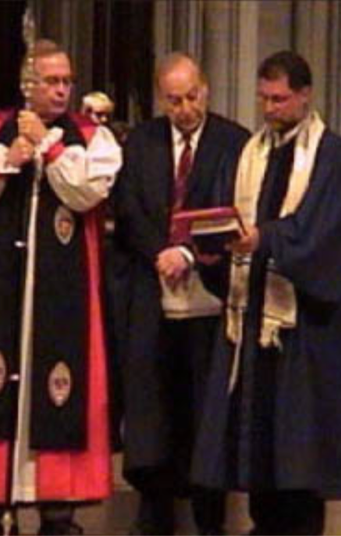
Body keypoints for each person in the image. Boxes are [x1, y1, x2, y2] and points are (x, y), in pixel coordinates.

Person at [0, 39, 122, 535]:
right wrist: (7, 160)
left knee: (59, 382)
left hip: (64, 293)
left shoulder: (89, 136)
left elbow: (87, 192)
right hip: (1, 288)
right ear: (27, 85)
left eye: (67, 82)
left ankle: (57, 505)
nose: (62, 91)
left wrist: (51, 147)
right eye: (52, 82)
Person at [191, 51, 341, 535]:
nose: (269, 108)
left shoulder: (332, 157)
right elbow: (231, 214)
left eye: (280, 99)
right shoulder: (250, 154)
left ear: (306, 95)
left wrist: (265, 239)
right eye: (263, 98)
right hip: (252, 320)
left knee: (299, 449)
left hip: (303, 325)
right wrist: (213, 250)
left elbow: (322, 233)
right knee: (258, 441)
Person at [110, 52, 249, 535]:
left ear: (205, 90)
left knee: (204, 413)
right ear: (161, 99)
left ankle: (210, 519)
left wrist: (187, 253)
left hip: (208, 298)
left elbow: (235, 206)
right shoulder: (143, 141)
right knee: (153, 413)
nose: (185, 109)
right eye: (174, 101)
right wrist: (160, 253)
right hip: (154, 295)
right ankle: (156, 515)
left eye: (191, 97)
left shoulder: (234, 141)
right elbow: (127, 207)